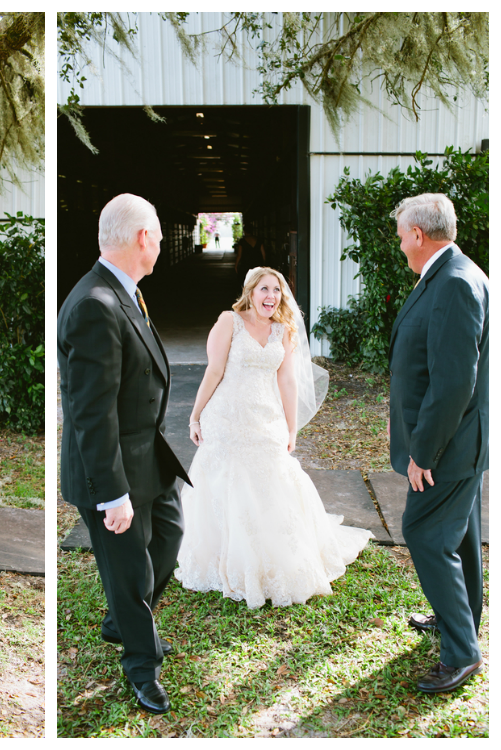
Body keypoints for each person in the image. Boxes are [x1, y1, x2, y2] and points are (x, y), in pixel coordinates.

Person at [57, 193, 193, 715]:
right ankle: (141, 664)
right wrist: (113, 495)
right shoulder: (96, 303)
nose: (160, 243)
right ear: (142, 238)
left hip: (146, 455)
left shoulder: (124, 292)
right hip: (109, 470)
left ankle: (123, 617)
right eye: (158, 234)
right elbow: (92, 415)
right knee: (129, 574)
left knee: (173, 534)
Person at [175, 267, 373, 612]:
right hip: (225, 419)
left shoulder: (284, 331)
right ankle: (224, 559)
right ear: (251, 292)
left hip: (265, 421)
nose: (271, 296)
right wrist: (195, 416)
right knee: (223, 484)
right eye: (264, 289)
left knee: (271, 483)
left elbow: (288, 383)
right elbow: (214, 371)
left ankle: (273, 556)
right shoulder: (229, 321)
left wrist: (292, 428)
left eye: (277, 291)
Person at [387, 193, 488, 693]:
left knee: (425, 532)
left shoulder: (453, 283)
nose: (399, 240)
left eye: (402, 231)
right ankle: (462, 617)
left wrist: (423, 452)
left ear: (419, 235)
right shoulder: (453, 273)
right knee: (460, 532)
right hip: (459, 442)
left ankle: (462, 653)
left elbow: (453, 384)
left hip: (447, 446)